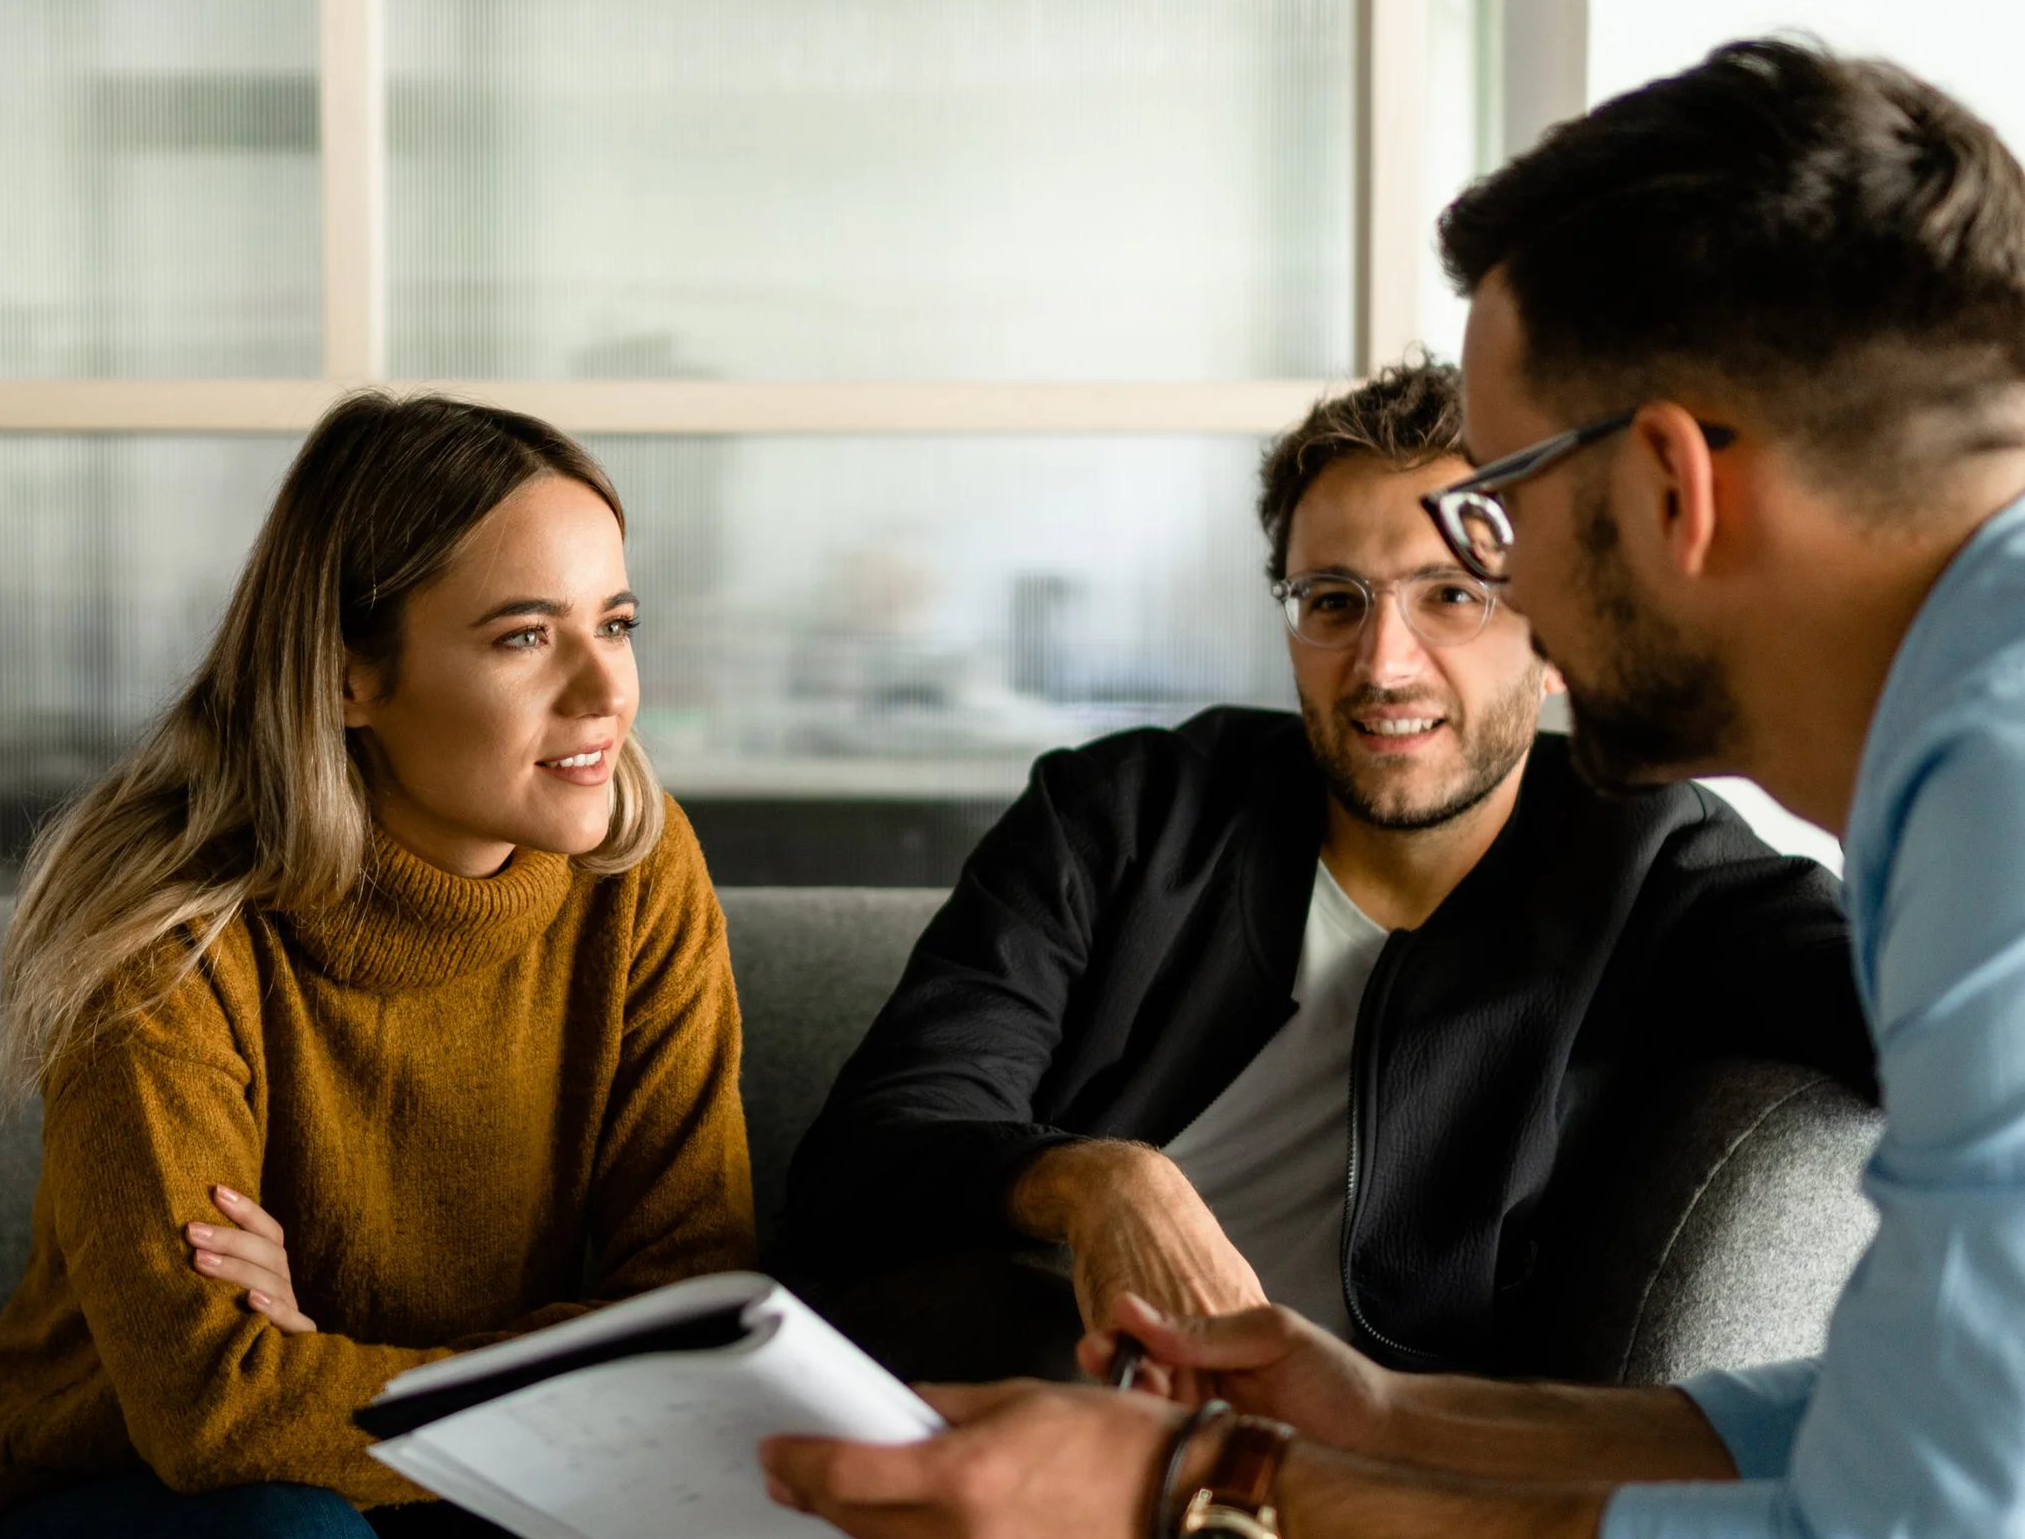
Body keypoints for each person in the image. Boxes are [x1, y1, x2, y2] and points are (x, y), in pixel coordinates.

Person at [761, 37, 2025, 1539]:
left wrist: (1191, 1503)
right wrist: (1383, 1415)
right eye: (1336, 599)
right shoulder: (1969, 749)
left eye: (1491, 532)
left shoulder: (1986, 801)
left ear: (1669, 488)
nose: (1407, 652)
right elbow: (1901, 1452)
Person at [780, 357, 1870, 1377]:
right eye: (1333, 601)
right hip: (994, 1378)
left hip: (1330, 1477)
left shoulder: (1650, 862)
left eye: (1452, 594)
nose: (1382, 664)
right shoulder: (1122, 810)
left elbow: (1937, 1019)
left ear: (1555, 640)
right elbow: (871, 1157)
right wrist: (1102, 1180)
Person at [0, 393, 755, 1539]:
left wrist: (317, 1364)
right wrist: (551, 1369)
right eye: (522, 637)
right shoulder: (165, 930)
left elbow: (691, 1319)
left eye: (616, 621)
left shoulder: (639, 873)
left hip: (417, 1474)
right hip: (107, 1505)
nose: (604, 689)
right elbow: (211, 1410)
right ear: (351, 676)